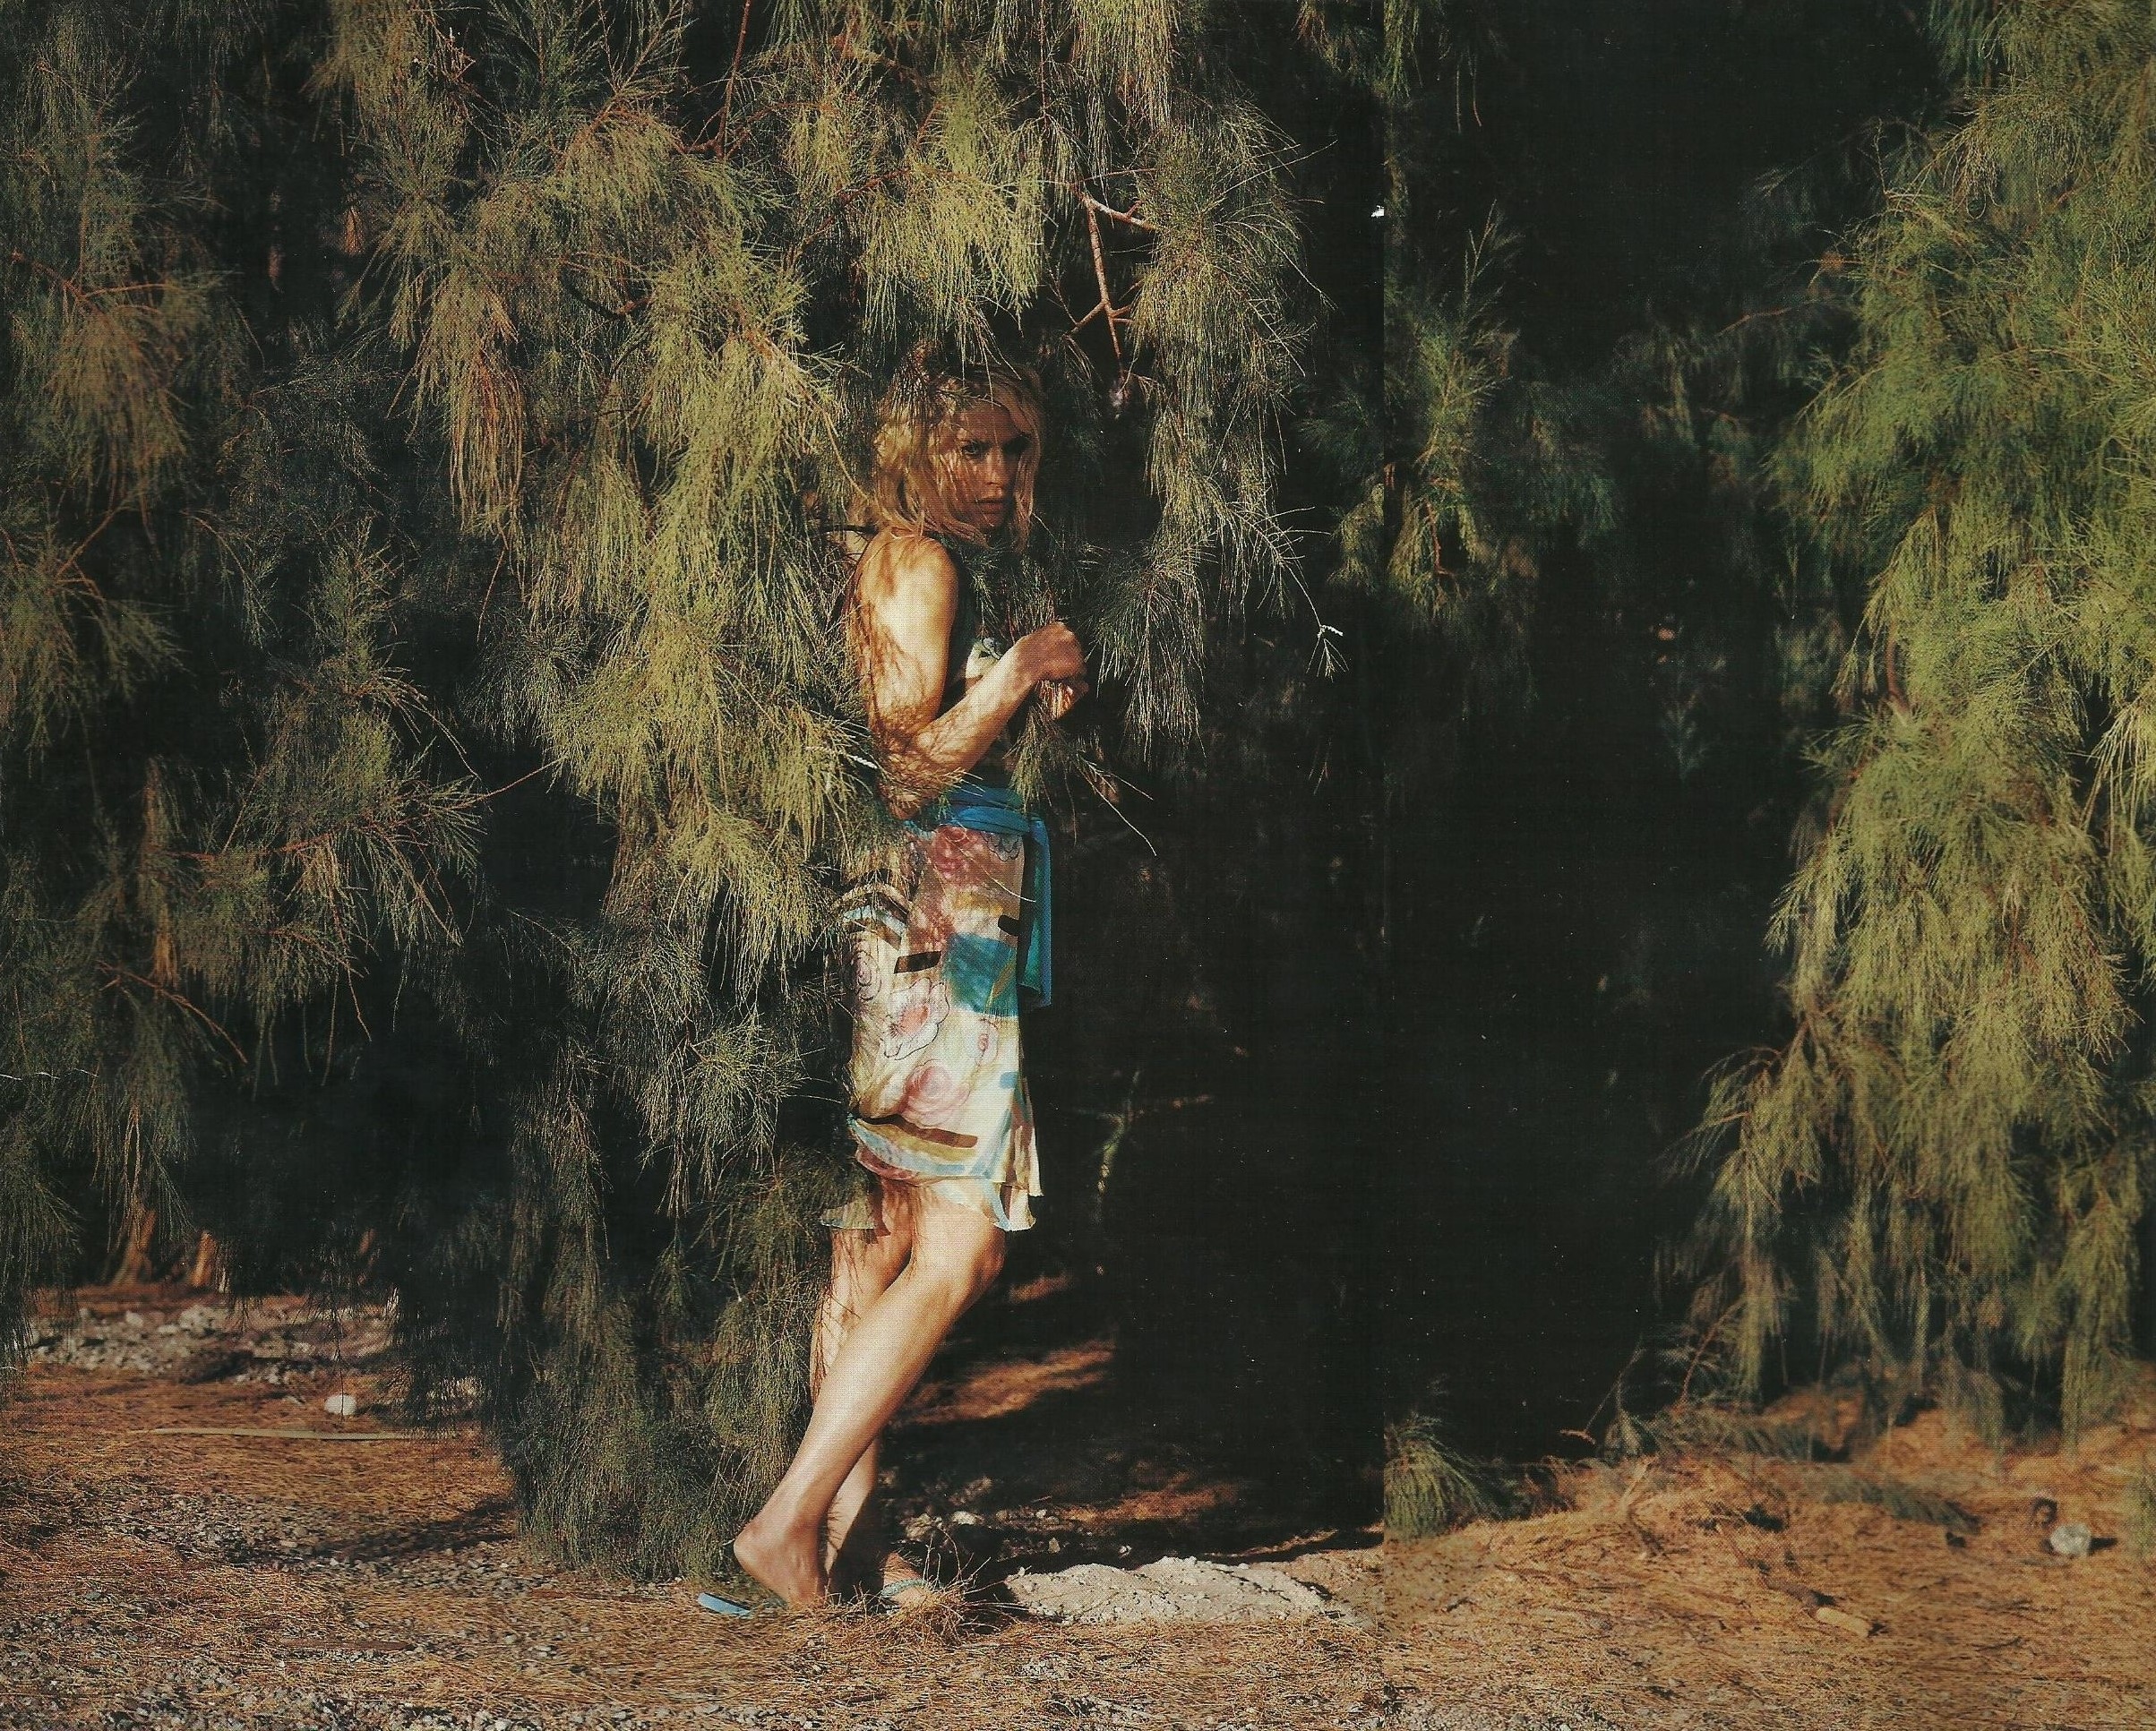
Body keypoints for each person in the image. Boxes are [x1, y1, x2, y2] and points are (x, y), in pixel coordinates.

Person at [731, 361, 1087, 1609]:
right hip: (937, 918)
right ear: (913, 450)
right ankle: (787, 1523)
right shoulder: (918, 561)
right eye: (968, 449)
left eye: (1011, 450)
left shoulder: (924, 562)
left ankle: (841, 1547)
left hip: (941, 912)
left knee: (877, 1237)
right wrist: (1015, 670)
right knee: (962, 1244)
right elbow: (903, 770)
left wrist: (1023, 694)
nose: (993, 476)